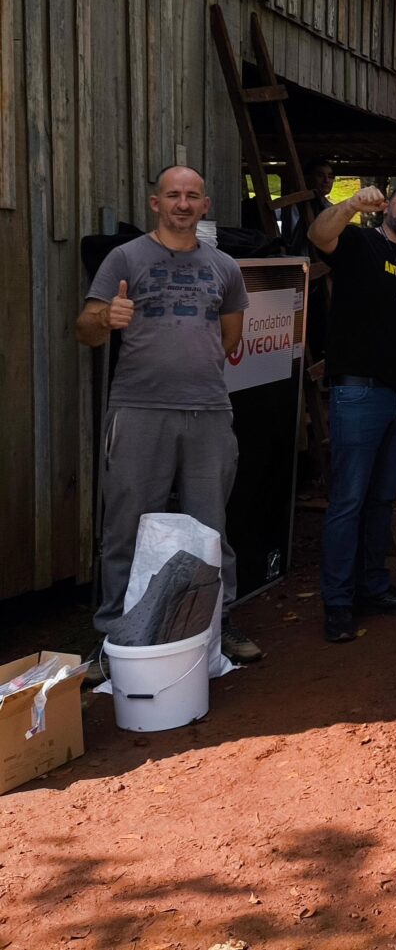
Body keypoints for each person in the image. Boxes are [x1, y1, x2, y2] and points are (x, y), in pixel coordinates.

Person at [75, 165, 262, 665]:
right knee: (125, 527)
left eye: (193, 196)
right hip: (139, 408)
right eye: (173, 195)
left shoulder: (225, 267)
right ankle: (113, 635)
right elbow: (86, 330)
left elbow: (229, 338)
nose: (183, 204)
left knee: (210, 526)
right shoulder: (124, 257)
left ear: (204, 206)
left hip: (207, 410)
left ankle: (218, 624)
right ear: (155, 203)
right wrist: (103, 318)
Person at [307, 181, 396, 642]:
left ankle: (373, 586)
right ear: (389, 206)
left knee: (382, 498)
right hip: (358, 393)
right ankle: (338, 602)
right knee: (349, 500)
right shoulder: (360, 241)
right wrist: (348, 205)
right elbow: (321, 236)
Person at [281, 158, 335, 249]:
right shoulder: (297, 205)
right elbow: (294, 236)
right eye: (320, 176)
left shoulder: (328, 206)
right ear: (308, 178)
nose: (326, 181)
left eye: (330, 176)